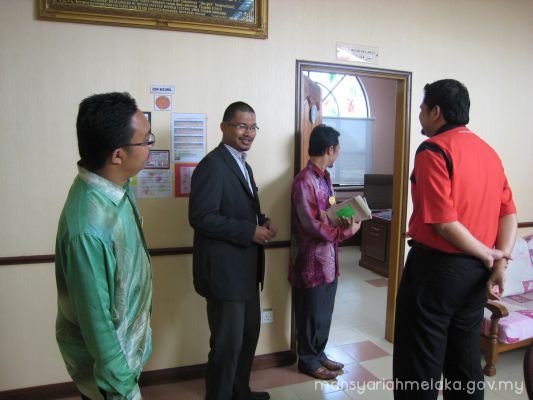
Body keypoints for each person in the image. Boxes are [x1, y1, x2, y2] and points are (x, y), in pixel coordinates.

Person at [393, 79, 517, 399]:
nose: (420, 115)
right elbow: (508, 215)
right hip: (475, 276)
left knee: (419, 363)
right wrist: (497, 262)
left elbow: (444, 223)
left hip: (436, 272)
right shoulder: (489, 153)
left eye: (422, 108)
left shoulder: (434, 149)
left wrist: (490, 255)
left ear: (436, 111)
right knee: (464, 360)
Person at [55, 92, 154, 400]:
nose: (151, 147)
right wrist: (124, 389)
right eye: (147, 140)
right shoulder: (88, 229)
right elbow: (97, 325)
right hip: (109, 377)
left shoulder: (116, 188)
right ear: (118, 155)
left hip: (126, 355)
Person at [189, 101, 276, 400]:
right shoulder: (212, 165)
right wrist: (249, 231)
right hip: (225, 275)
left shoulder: (243, 164)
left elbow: (239, 210)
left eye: (253, 127)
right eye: (241, 126)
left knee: (248, 337)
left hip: (247, 272)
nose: (248, 133)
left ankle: (241, 392)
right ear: (224, 127)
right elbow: (201, 217)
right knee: (226, 346)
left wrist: (262, 221)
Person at [289, 124, 361, 380]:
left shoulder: (325, 178)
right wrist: (345, 232)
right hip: (310, 263)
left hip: (329, 260)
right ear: (330, 149)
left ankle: (319, 354)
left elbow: (326, 213)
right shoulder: (304, 180)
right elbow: (310, 224)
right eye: (338, 149)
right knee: (309, 314)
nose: (338, 153)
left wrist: (343, 217)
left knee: (324, 312)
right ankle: (307, 360)